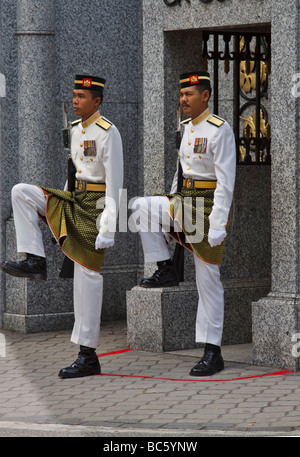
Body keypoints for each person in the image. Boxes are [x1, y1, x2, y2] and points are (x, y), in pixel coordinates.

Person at [0, 74, 123, 378]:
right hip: (72, 199)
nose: (75, 100)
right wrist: (55, 210)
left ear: (96, 100)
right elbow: (73, 175)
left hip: (94, 207)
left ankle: (87, 354)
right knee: (21, 192)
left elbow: (115, 183)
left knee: (87, 279)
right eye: (74, 95)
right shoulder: (76, 130)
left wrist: (108, 225)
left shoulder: (109, 133)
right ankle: (34, 260)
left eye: (81, 96)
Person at [132, 71, 236, 376]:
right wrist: (170, 202)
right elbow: (182, 172)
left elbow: (226, 182)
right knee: (140, 207)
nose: (183, 100)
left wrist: (218, 223)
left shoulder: (220, 129)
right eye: (181, 95)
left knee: (208, 281)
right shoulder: (187, 127)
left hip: (206, 208)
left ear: (205, 96)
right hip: (183, 201)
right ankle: (165, 267)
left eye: (189, 94)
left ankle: (212, 351)